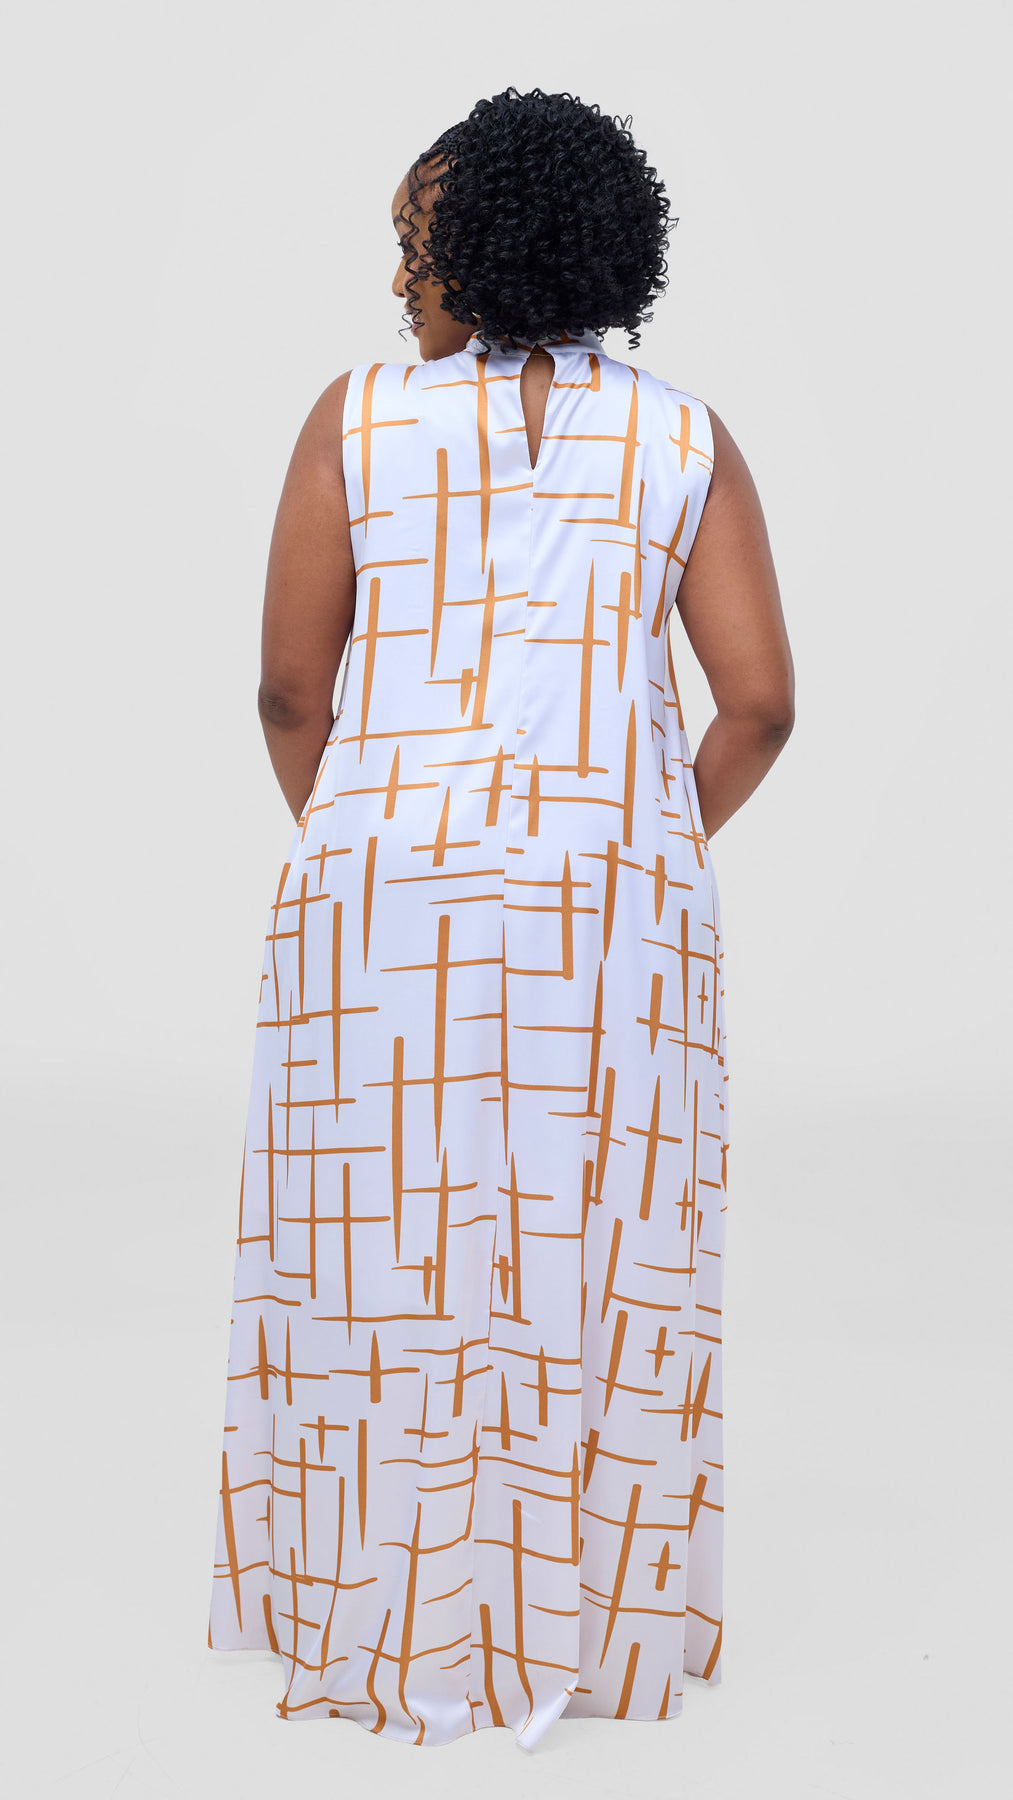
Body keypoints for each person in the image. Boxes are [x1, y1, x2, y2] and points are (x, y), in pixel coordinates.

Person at [207, 85, 794, 1752]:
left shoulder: (357, 419)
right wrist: (638, 839)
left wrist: (369, 835)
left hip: (381, 876)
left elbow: (287, 690)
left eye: (412, 243)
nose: (398, 277)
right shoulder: (682, 438)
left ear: (477, 247)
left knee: (377, 1231)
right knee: (602, 1234)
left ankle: (370, 1595)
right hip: (613, 891)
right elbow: (757, 706)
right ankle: (591, 1617)